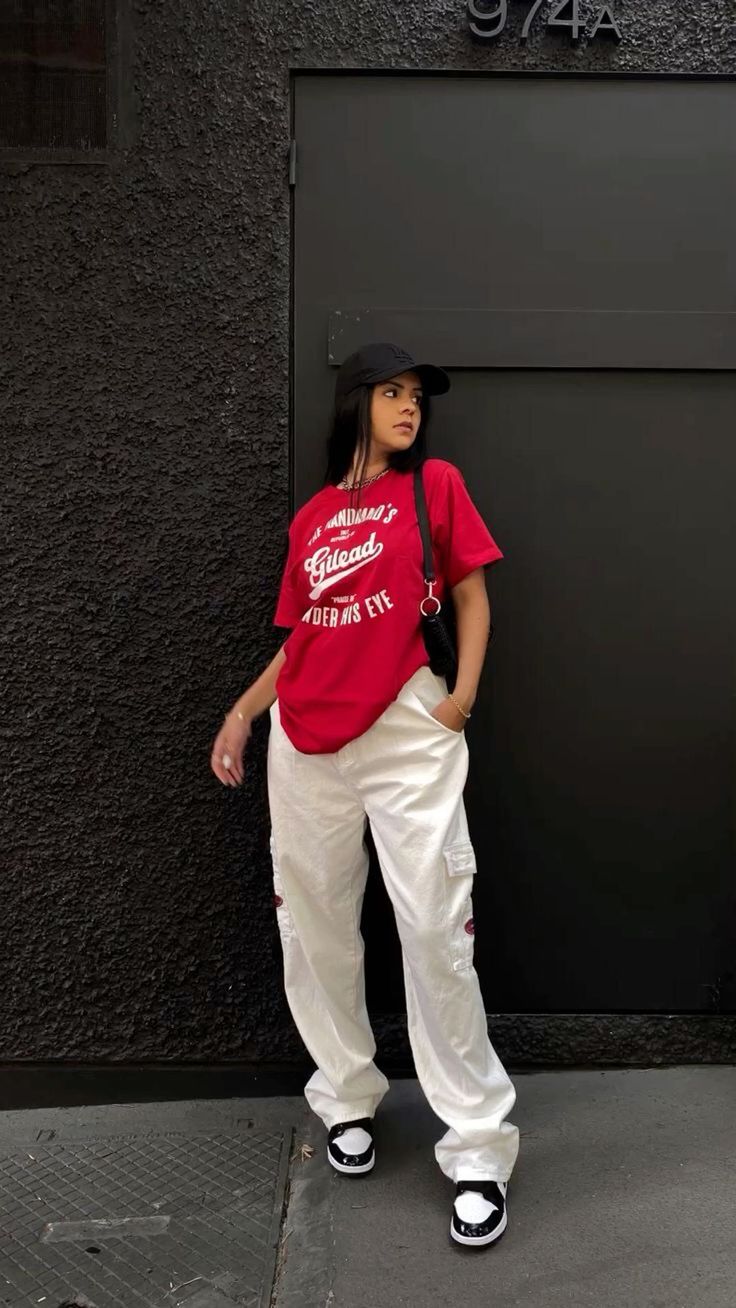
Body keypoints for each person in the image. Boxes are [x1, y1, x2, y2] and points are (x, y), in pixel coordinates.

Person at [210, 342, 519, 1248]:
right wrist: (241, 714)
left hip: (404, 726)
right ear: (354, 404)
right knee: (312, 925)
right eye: (392, 393)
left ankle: (476, 1148)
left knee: (432, 926)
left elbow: (473, 597)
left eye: (417, 396)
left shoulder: (434, 489)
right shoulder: (313, 518)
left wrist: (462, 694)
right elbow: (302, 636)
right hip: (304, 741)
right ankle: (346, 1094)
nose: (410, 408)